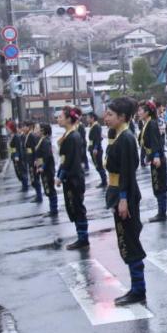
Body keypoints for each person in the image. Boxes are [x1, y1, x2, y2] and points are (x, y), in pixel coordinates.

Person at [103, 97, 148, 307]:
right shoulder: (118, 135)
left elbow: (127, 173)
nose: (106, 118)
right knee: (126, 241)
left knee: (130, 242)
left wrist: (123, 199)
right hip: (117, 192)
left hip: (125, 195)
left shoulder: (127, 138)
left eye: (110, 114)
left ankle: (139, 289)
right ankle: (136, 287)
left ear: (122, 117)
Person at [57, 107, 90, 250]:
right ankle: (81, 237)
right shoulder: (69, 135)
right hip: (72, 177)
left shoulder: (72, 136)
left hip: (74, 177)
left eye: (60, 117)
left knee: (77, 207)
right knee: (74, 207)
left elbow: (68, 160)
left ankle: (83, 239)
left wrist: (60, 176)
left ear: (69, 119)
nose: (58, 119)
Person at [138, 100, 167, 223]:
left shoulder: (152, 124)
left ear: (147, 112)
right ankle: (161, 211)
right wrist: (148, 156)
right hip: (153, 158)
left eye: (140, 110)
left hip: (158, 160)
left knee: (160, 185)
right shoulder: (147, 123)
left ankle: (162, 212)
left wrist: (155, 156)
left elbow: (156, 141)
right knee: (157, 185)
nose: (138, 112)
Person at [34, 124, 57, 215]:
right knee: (47, 187)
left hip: (47, 169)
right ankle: (52, 208)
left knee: (50, 188)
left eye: (37, 128)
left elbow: (47, 156)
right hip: (43, 168)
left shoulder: (45, 141)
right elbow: (41, 155)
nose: (35, 130)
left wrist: (42, 167)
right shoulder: (41, 140)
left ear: (42, 131)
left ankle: (54, 209)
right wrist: (37, 164)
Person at [87, 112, 108, 188]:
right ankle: (103, 180)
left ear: (92, 118)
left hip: (96, 150)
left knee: (99, 165)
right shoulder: (93, 126)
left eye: (88, 118)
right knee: (98, 166)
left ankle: (104, 181)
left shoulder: (96, 126)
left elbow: (97, 138)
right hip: (92, 148)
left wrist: (95, 148)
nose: (87, 119)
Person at [24, 122, 44, 203]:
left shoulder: (31, 136)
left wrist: (36, 160)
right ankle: (38, 195)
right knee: (33, 178)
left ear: (29, 127)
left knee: (35, 178)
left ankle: (39, 196)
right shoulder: (28, 135)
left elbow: (35, 148)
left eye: (24, 126)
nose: (23, 128)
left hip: (33, 160)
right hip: (30, 159)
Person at [8, 121, 29, 192]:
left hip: (18, 157)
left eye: (8, 128)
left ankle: (25, 186)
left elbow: (18, 147)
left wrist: (17, 155)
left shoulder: (16, 136)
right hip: (14, 155)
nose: (7, 129)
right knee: (18, 171)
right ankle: (23, 185)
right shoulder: (12, 136)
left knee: (21, 171)